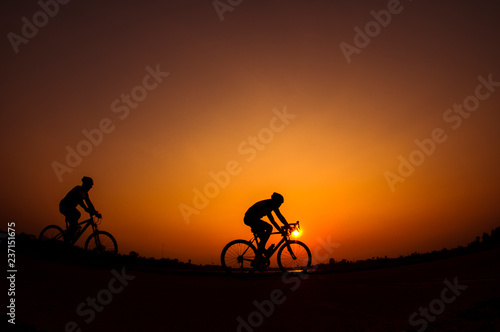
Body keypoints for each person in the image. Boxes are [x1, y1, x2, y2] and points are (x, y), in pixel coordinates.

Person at [244, 192, 290, 258]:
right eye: (279, 203)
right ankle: (258, 257)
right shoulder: (269, 205)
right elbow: (279, 216)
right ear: (276, 201)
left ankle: (262, 253)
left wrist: (280, 230)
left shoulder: (268, 205)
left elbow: (273, 221)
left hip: (251, 219)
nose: (279, 205)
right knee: (269, 228)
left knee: (263, 238)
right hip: (251, 219)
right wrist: (287, 225)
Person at [59, 176, 100, 241]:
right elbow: (80, 201)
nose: (90, 187)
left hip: (71, 208)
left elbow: (89, 203)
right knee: (75, 223)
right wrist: (86, 209)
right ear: (85, 184)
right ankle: (67, 237)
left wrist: (95, 212)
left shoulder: (85, 194)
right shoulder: (78, 189)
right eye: (90, 185)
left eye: (91, 186)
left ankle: (70, 232)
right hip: (65, 206)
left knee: (77, 215)